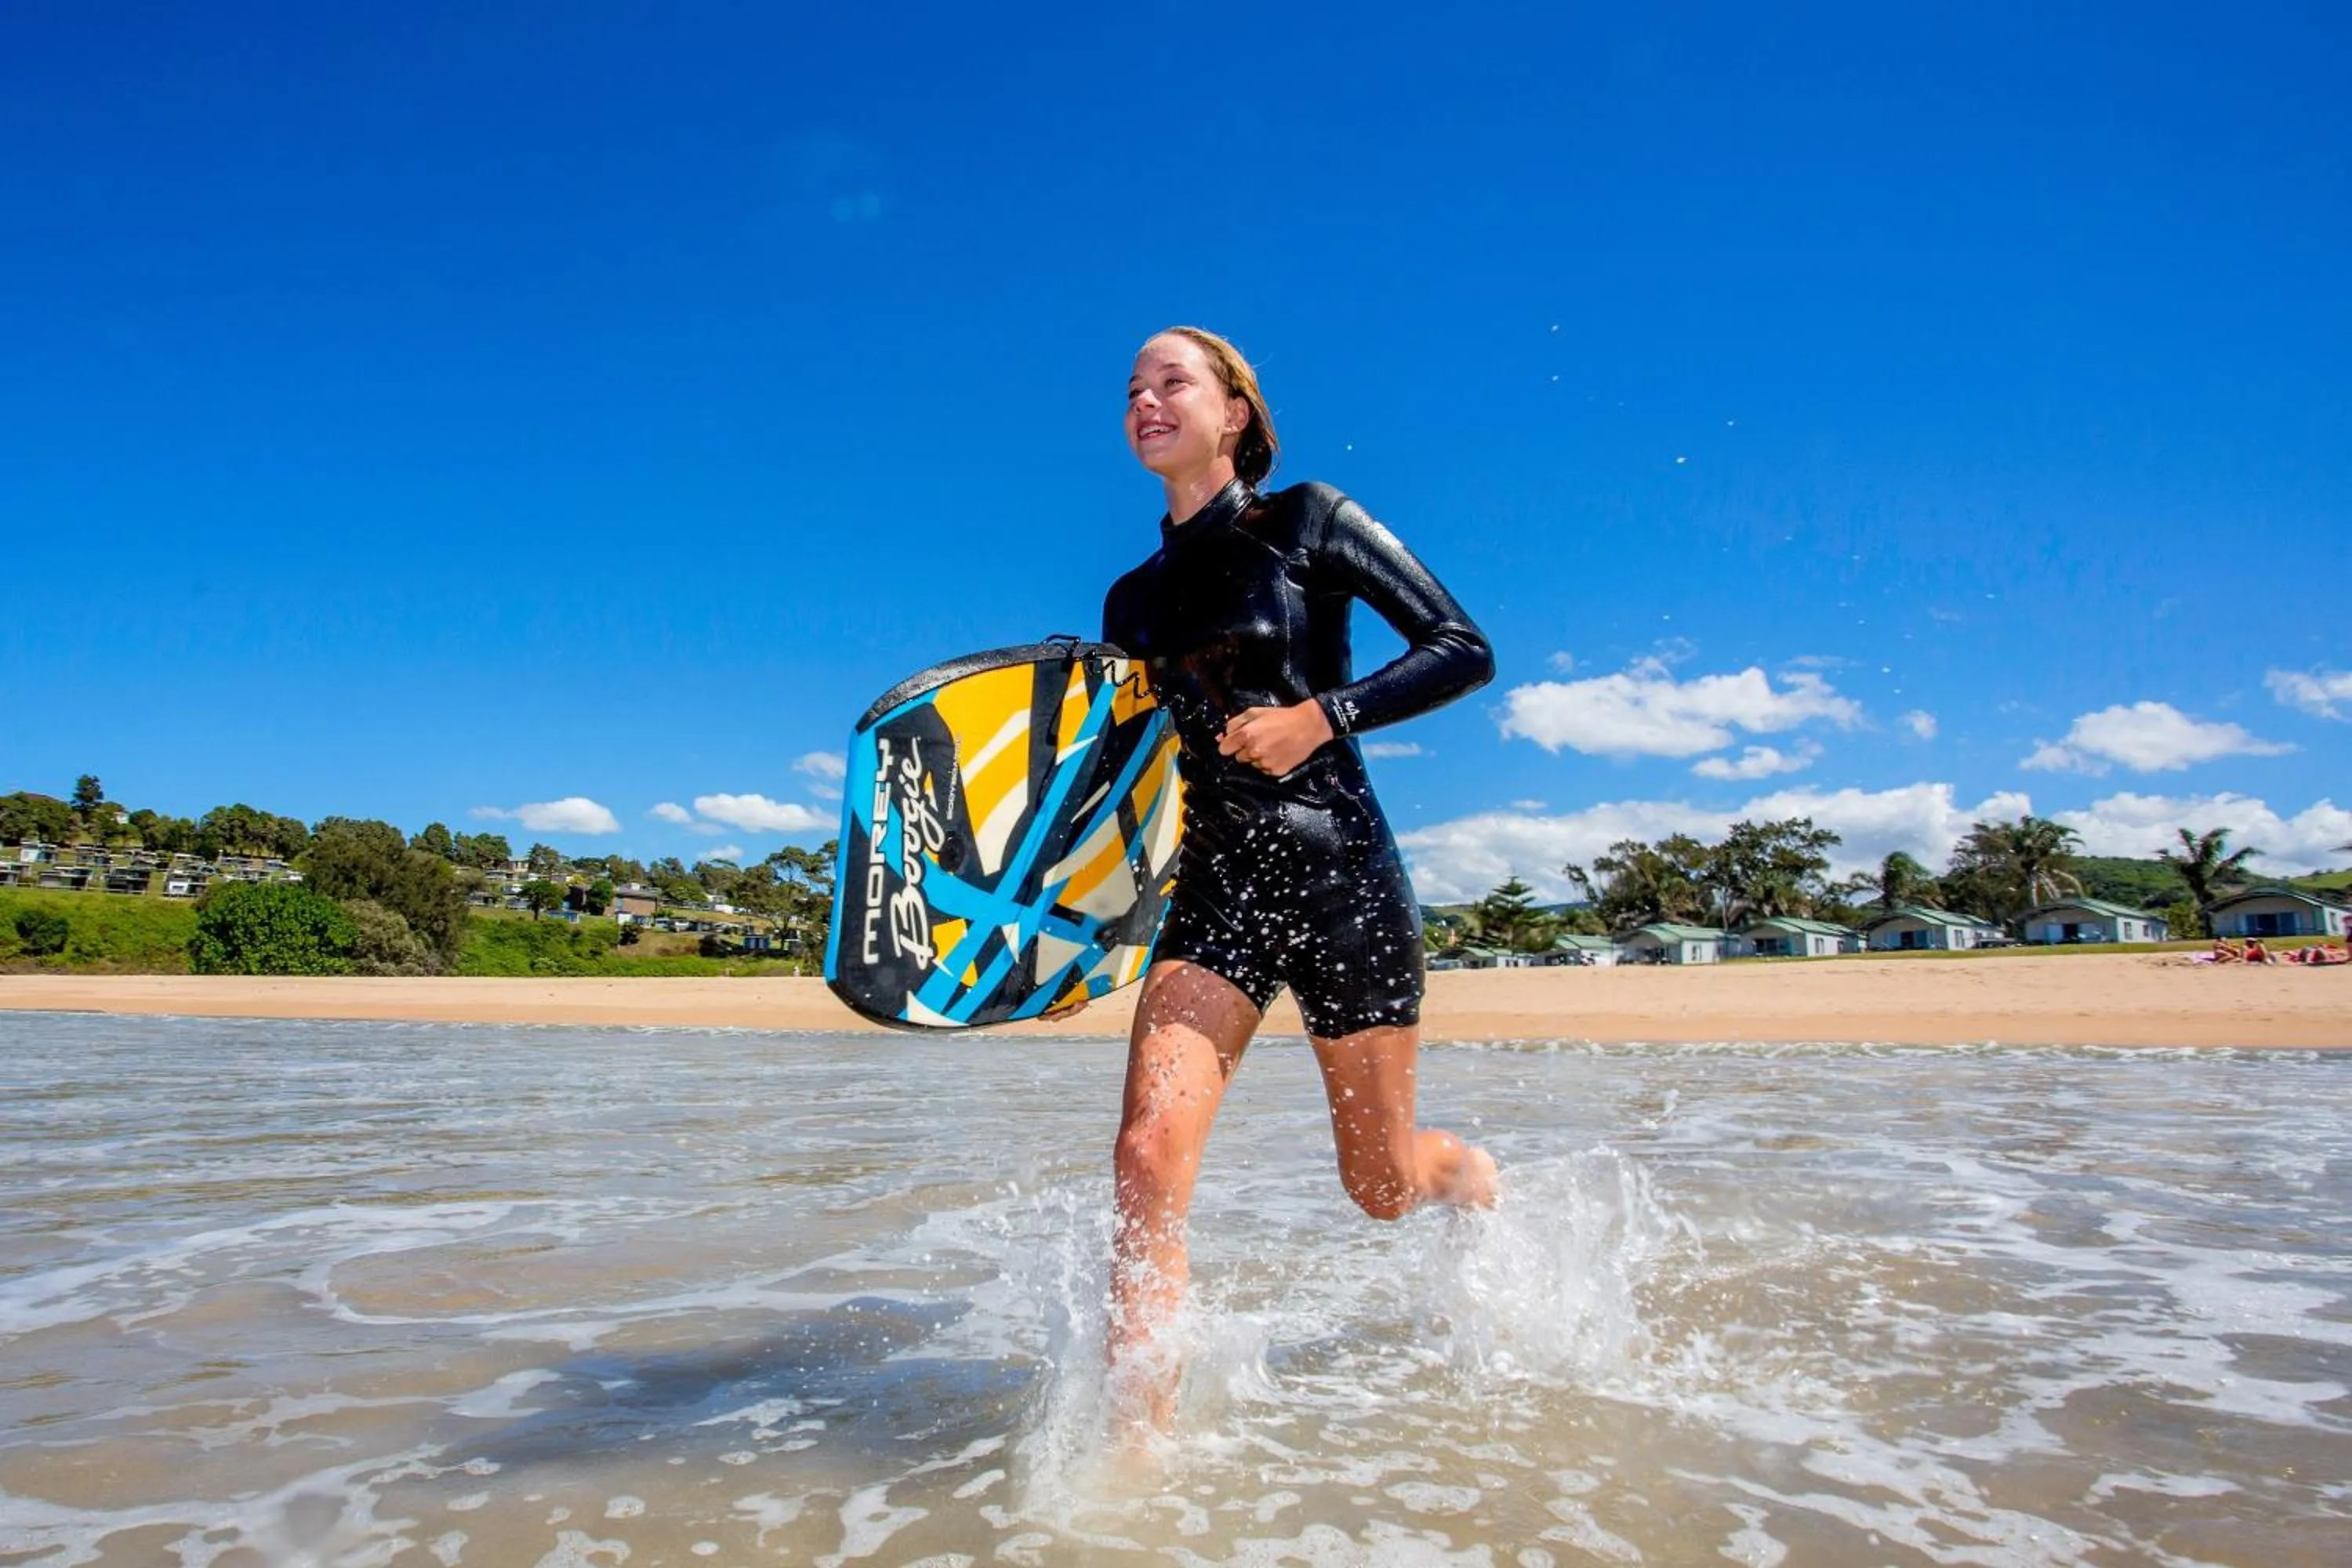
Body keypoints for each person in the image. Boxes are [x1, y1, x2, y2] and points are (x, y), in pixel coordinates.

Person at [1098, 326, 1501, 1433]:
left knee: (1380, 1187)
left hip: (1340, 881)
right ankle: (1134, 1456)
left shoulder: (1308, 519)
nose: (1144, 400)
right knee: (1145, 1158)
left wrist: (1324, 715)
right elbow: (1127, 774)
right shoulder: (1130, 603)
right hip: (1217, 890)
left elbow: (1462, 645)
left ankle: (1464, 1175)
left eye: (1171, 381)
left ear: (1235, 412)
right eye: (1131, 389)